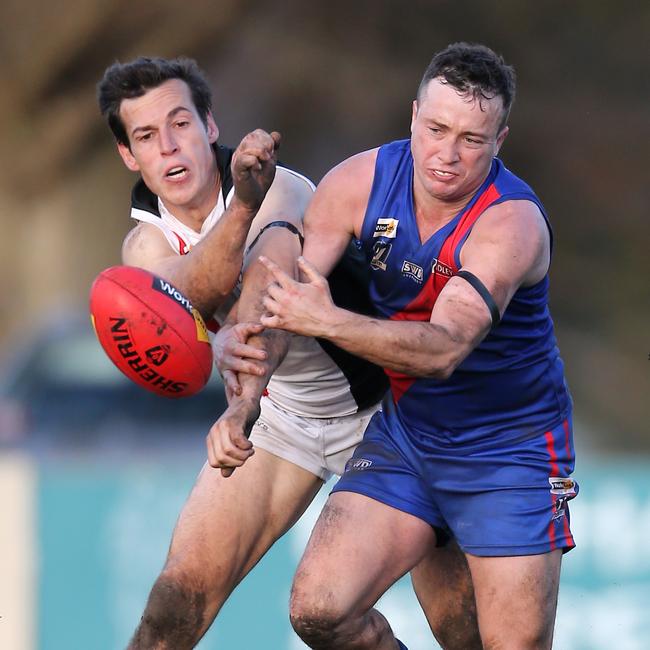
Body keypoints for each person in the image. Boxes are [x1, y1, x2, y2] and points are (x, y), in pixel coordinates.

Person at [97, 56, 480, 649]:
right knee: (174, 603)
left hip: (388, 411)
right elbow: (189, 289)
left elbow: (266, 287)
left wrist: (240, 406)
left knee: (460, 623)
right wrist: (240, 210)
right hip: (284, 420)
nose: (169, 147)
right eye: (146, 136)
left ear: (210, 127)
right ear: (129, 156)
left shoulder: (285, 187)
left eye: (180, 124)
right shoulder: (144, 242)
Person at [259, 42, 578, 649]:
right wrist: (240, 398)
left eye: (472, 139)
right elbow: (286, 302)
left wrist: (326, 321)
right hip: (408, 438)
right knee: (320, 610)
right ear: (413, 115)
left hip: (510, 452)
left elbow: (444, 350)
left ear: (500, 140)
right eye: (436, 129)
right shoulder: (357, 182)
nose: (447, 155)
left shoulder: (511, 223)